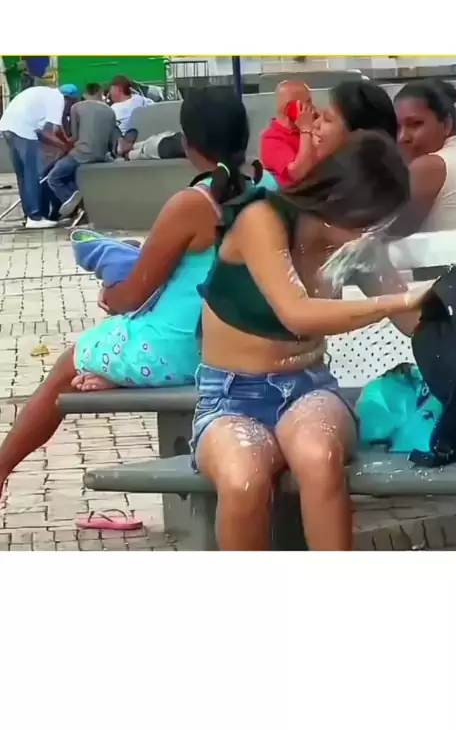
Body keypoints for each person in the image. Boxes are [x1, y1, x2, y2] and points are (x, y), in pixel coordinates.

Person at [0, 87, 275, 498]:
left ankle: (1, 468)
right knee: (111, 348)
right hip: (245, 345)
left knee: (69, 363)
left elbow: (130, 297)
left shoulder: (192, 203)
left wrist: (109, 293)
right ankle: (119, 372)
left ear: (187, 143)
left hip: (185, 352)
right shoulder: (268, 187)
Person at [191, 129, 426, 551]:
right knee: (244, 478)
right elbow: (296, 313)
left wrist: (453, 311)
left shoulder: (356, 244)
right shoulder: (262, 218)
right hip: (230, 397)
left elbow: (413, 320)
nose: (368, 234)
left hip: (308, 388)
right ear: (338, 201)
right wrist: (396, 301)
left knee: (319, 457)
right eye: (366, 222)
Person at [394, 79, 456, 233]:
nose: (403, 137)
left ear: (446, 124)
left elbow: (383, 238)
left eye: (415, 124)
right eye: (398, 127)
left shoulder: (429, 166)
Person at [0, 84, 80, 228]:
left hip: (7, 127)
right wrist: (68, 145)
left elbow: (41, 134)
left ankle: (29, 216)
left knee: (23, 176)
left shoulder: (44, 94)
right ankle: (35, 216)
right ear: (69, 99)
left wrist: (61, 145)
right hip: (23, 129)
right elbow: (56, 130)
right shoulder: (58, 99)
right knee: (32, 174)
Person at [47, 83, 118, 218]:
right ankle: (74, 204)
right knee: (69, 175)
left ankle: (76, 203)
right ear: (100, 93)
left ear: (85, 94)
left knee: (53, 178)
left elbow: (74, 137)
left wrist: (63, 144)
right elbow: (111, 140)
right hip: (101, 155)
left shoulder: (76, 107)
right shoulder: (110, 111)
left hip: (81, 154)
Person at [260, 80, 317, 185]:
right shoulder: (271, 139)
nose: (313, 108)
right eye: (307, 103)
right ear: (291, 109)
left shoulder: (314, 124)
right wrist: (305, 130)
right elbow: (298, 172)